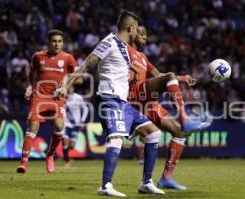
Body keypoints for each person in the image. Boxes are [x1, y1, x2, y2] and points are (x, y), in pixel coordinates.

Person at [55, 11, 166, 197]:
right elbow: (87, 64)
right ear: (130, 28)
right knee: (115, 139)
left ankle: (146, 183)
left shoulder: (123, 47)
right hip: (109, 99)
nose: (137, 32)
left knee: (154, 133)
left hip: (123, 103)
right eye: (136, 28)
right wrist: (66, 85)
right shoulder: (109, 42)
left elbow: (118, 64)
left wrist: (132, 70)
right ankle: (105, 186)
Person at [128, 26, 211, 190]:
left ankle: (166, 178)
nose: (145, 37)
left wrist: (181, 78)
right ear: (131, 34)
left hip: (149, 103)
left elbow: (160, 76)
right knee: (170, 77)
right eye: (141, 34)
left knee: (179, 132)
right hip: (132, 97)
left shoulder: (143, 57)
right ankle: (185, 118)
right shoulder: (125, 51)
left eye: (146, 34)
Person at [16, 29, 77, 174]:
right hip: (39, 96)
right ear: (48, 42)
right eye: (54, 41)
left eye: (60, 41)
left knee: (59, 126)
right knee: (33, 127)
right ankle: (23, 163)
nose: (57, 44)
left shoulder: (68, 58)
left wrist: (65, 86)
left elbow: (77, 76)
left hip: (57, 97)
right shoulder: (38, 56)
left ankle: (50, 155)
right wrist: (30, 87)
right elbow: (31, 73)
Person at [62, 85, 88, 168]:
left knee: (72, 145)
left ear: (73, 88)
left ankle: (66, 155)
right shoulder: (63, 97)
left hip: (76, 124)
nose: (69, 88)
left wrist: (82, 120)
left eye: (71, 87)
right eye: (68, 87)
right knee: (65, 141)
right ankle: (67, 160)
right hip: (66, 124)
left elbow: (85, 109)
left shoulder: (78, 97)